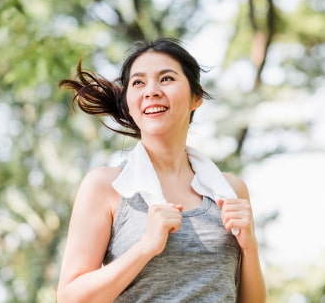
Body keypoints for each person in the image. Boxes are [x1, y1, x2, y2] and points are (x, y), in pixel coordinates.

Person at [56, 38, 266, 303]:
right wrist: (145, 247)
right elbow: (70, 298)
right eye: (138, 82)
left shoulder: (230, 191)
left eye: (166, 79)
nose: (151, 91)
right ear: (128, 104)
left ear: (196, 97)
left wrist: (250, 246)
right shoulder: (106, 186)